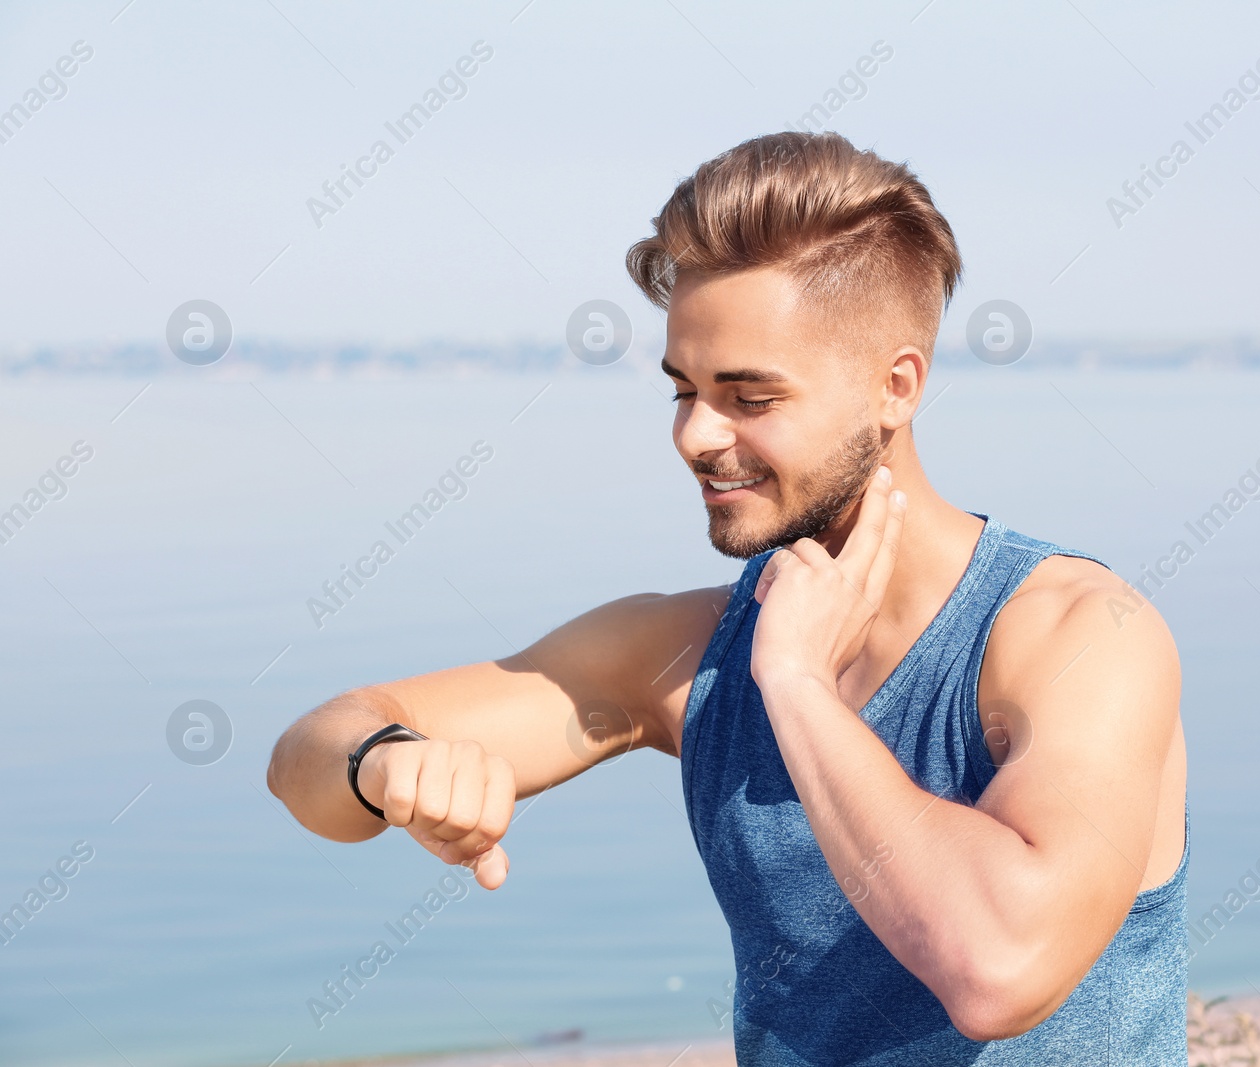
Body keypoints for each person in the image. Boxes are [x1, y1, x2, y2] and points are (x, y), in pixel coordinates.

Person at [267, 130, 1188, 1065]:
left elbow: (1001, 969)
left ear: (896, 387)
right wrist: (382, 768)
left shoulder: (1078, 634)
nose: (696, 436)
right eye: (685, 390)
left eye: (750, 397)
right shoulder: (684, 653)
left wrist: (794, 683)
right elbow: (309, 754)